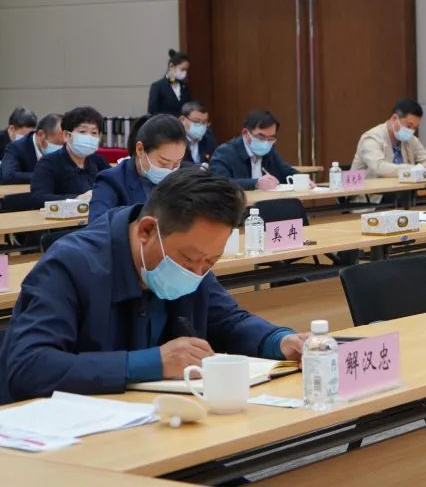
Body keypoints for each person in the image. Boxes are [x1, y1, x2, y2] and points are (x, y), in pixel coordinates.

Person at [0, 169, 305, 403]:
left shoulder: (195, 260)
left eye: (211, 261)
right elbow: (29, 366)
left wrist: (279, 341)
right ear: (147, 230)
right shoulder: (70, 265)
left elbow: (228, 320)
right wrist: (153, 362)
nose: (198, 272)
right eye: (189, 259)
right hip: (66, 433)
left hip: (155, 416)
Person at [89, 115, 187, 223]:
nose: (170, 170)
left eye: (177, 163)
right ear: (140, 150)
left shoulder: (184, 179)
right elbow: (97, 226)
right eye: (163, 162)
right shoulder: (112, 180)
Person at [30, 106, 110, 206]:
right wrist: (77, 199)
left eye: (94, 133)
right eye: (82, 132)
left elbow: (116, 185)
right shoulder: (48, 163)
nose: (89, 137)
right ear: (66, 136)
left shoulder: (98, 161)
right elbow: (38, 198)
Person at [210, 109, 296, 190]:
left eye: (270, 137)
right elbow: (219, 183)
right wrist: (255, 183)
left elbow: (287, 172)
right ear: (245, 133)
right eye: (261, 136)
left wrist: (301, 179)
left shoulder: (269, 150)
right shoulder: (224, 152)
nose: (266, 142)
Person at [351, 98, 426, 177]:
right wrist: (416, 168)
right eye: (409, 126)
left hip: (400, 189)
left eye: (415, 128)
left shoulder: (410, 139)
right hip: (369, 190)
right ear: (394, 119)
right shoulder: (371, 138)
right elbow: (379, 167)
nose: (411, 131)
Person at [1, 113, 62, 184]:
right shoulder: (16, 147)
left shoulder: (68, 149)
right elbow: (9, 176)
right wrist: (45, 176)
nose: (62, 148)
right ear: (41, 135)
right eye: (59, 143)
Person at [147, 49, 192, 117]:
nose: (185, 73)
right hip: (165, 123)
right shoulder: (157, 86)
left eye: (186, 70)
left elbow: (188, 108)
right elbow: (152, 113)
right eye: (182, 69)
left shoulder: (185, 87)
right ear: (171, 66)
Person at [179, 100, 217, 166]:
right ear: (182, 120)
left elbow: (215, 160)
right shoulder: (174, 139)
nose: (201, 126)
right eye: (196, 121)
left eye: (204, 122)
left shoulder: (208, 137)